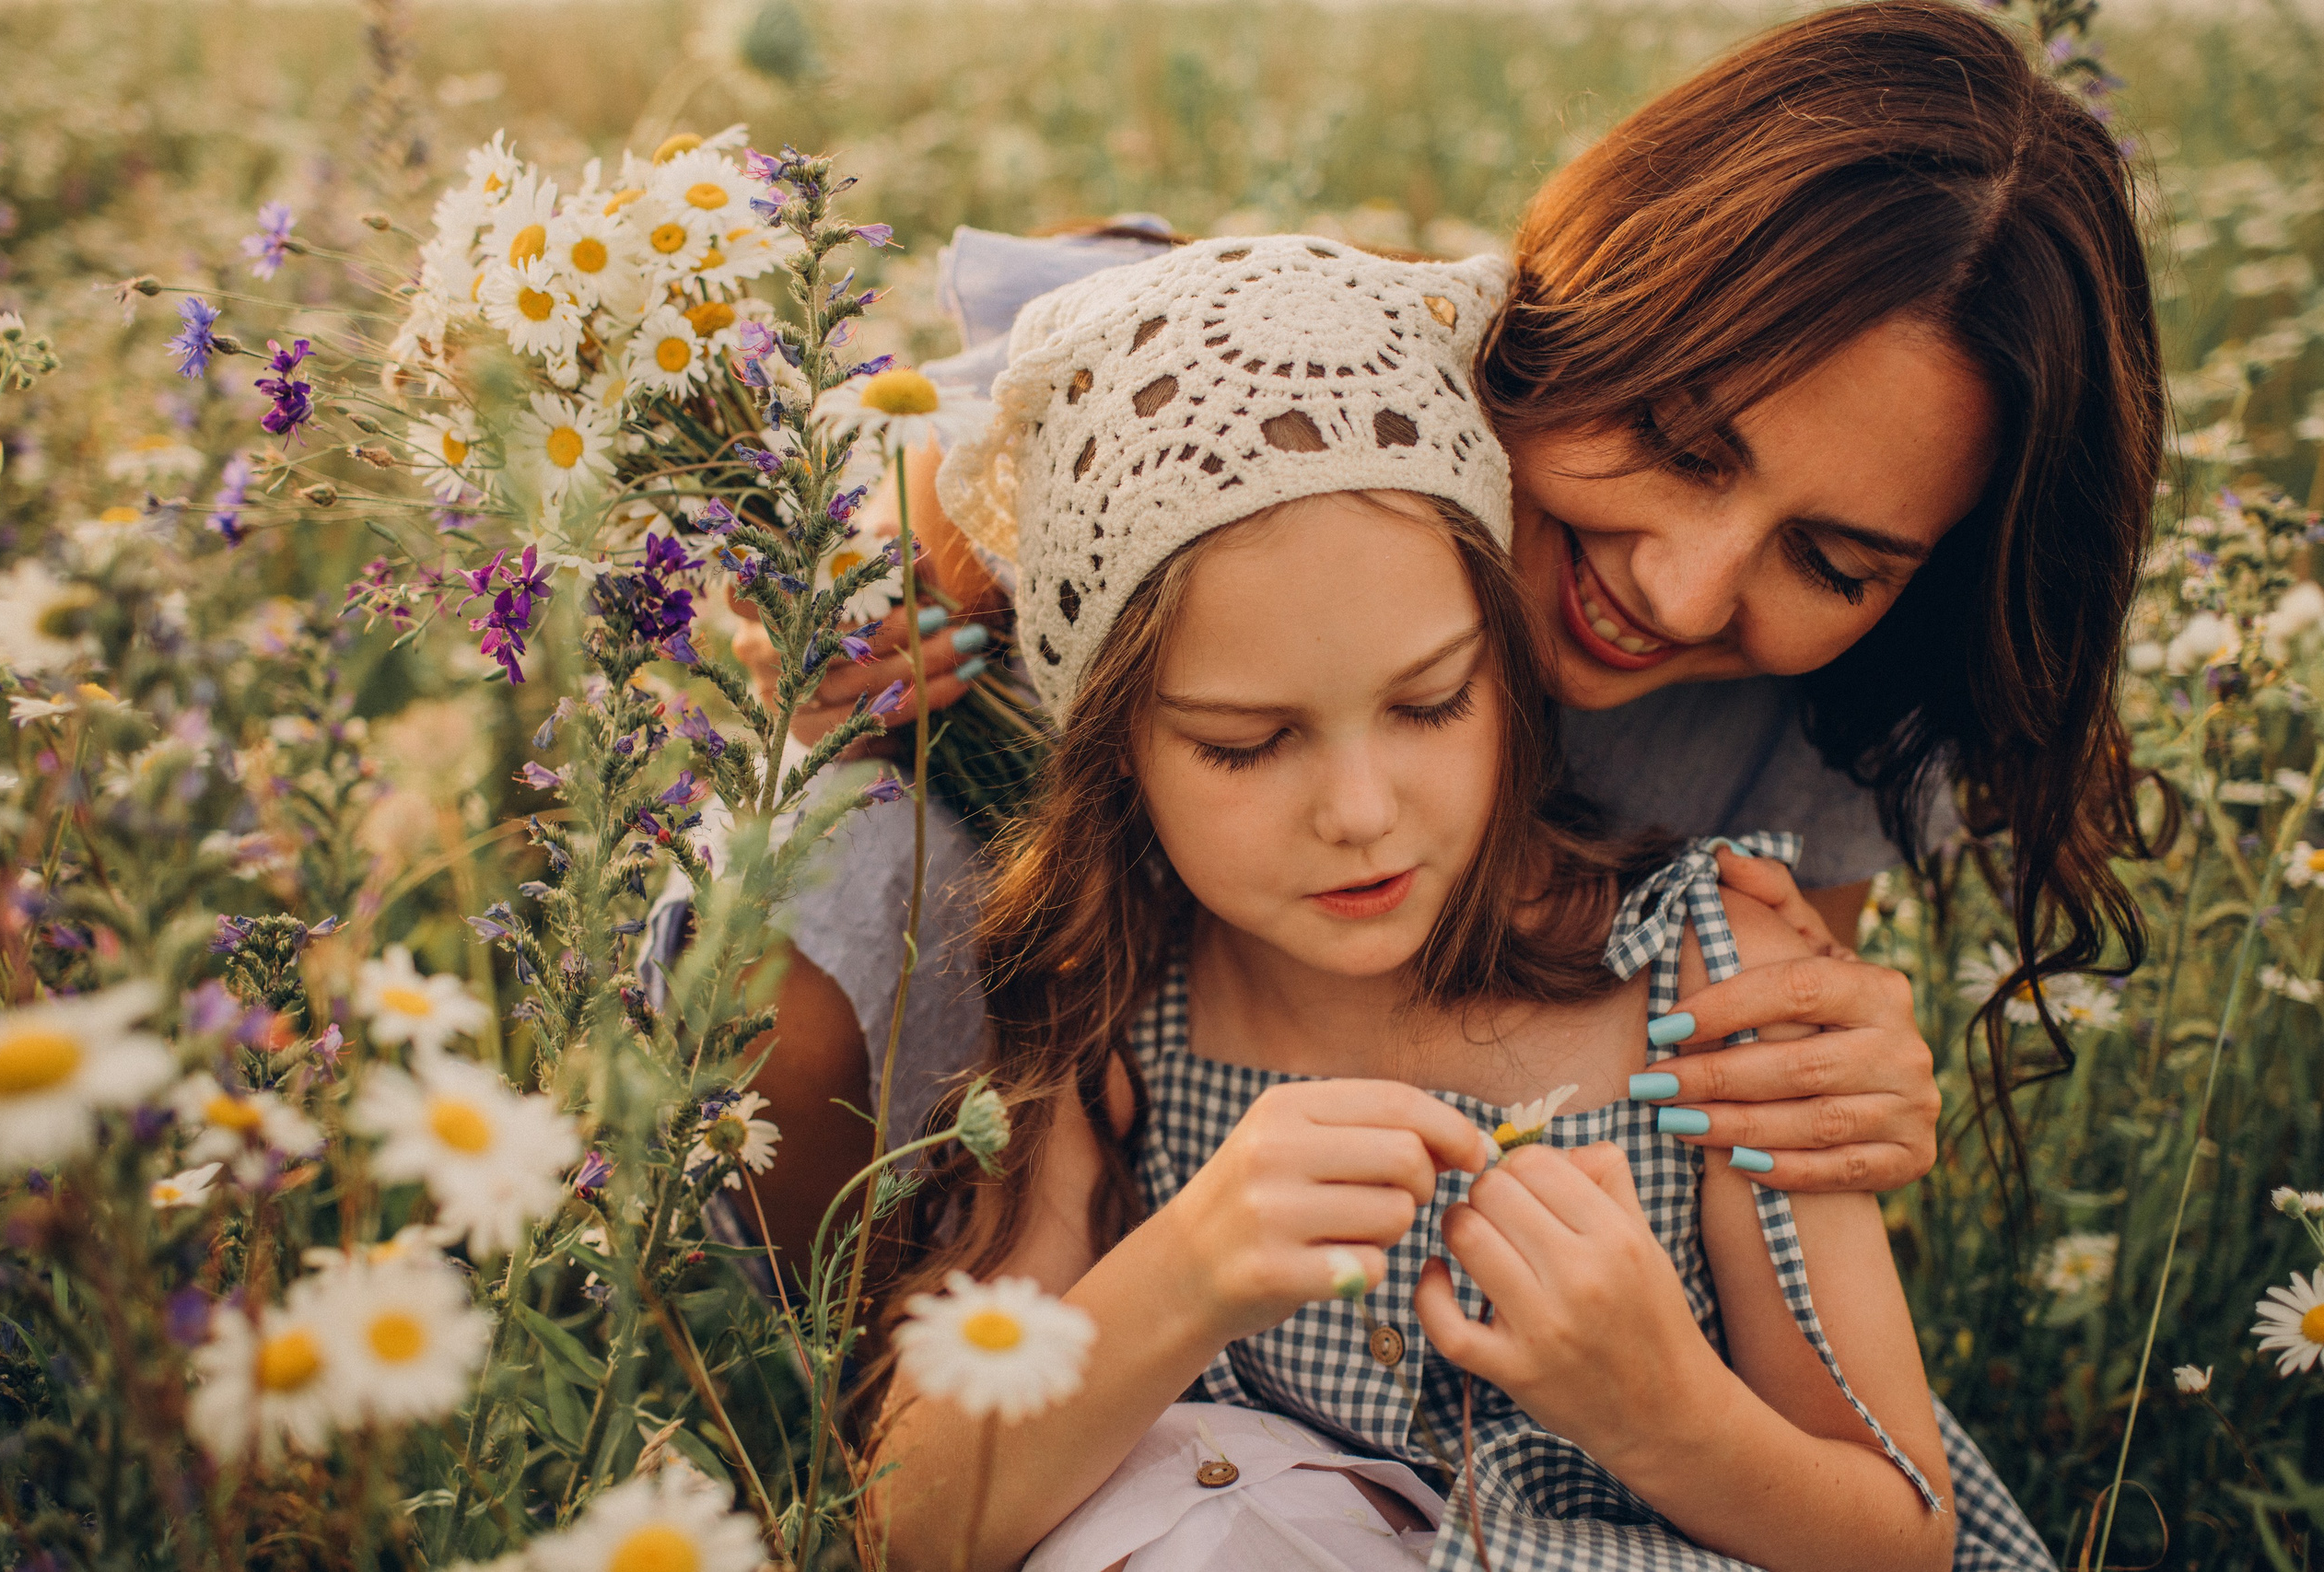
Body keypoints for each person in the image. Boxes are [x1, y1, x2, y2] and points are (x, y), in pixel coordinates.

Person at [724, 0, 2159, 1250]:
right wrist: (835, 584)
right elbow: (1013, 390)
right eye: (1678, 438)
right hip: (1016, 1110)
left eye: (1834, 560)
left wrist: (1825, 1065)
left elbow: (1751, 1121)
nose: (1684, 590)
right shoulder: (1343, 404)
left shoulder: (1818, 717)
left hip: (1380, 1310)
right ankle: (827, 1406)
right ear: (1599, 297)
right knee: (825, 888)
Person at [868, 235, 2049, 1572]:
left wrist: (1662, 1414)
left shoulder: (1710, 982)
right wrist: (1183, 1277)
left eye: (1431, 704)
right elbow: (913, 1529)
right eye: (1246, 744)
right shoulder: (1114, 1002)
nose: (1361, 812)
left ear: (1510, 667)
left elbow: (1903, 1541)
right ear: (1116, 758)